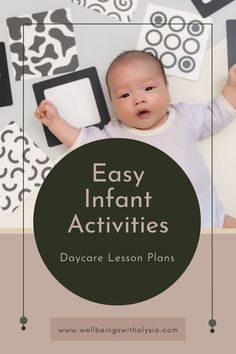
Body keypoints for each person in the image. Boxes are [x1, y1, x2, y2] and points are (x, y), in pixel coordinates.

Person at [34, 50, 236, 229]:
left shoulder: (185, 117)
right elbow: (81, 141)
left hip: (214, 220)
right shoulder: (114, 135)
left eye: (148, 89)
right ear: (112, 104)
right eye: (124, 95)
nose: (138, 99)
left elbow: (217, 113)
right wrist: (55, 122)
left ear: (167, 88)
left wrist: (232, 87)